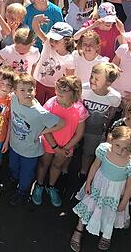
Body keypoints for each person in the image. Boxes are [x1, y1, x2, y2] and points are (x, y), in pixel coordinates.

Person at [70, 126, 131, 252]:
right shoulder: (103, 150)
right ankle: (78, 229)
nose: (120, 151)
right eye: (117, 145)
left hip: (114, 193)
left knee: (110, 212)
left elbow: (130, 185)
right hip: (98, 185)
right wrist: (88, 183)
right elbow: (95, 166)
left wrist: (124, 202)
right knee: (89, 205)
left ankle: (106, 236)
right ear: (111, 140)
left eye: (125, 148)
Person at [6, 73, 64, 206]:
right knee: (13, 166)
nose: (27, 93)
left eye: (30, 90)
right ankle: (14, 179)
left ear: (35, 90)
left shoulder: (40, 112)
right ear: (15, 91)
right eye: (22, 90)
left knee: (26, 174)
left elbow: (61, 124)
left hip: (30, 152)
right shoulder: (14, 98)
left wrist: (42, 131)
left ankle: (23, 192)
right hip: (14, 145)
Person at [32, 76, 87, 207]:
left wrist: (65, 148)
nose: (59, 92)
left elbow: (79, 134)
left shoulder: (80, 109)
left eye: (65, 90)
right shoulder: (51, 104)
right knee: (43, 164)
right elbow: (45, 128)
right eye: (58, 89)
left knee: (57, 166)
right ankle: (39, 185)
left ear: (75, 92)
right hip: (49, 143)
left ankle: (51, 186)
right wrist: (56, 147)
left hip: (66, 147)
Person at [79, 63, 122, 180]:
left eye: (97, 79)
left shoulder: (114, 97)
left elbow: (111, 114)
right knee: (73, 149)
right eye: (91, 76)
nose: (92, 80)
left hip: (96, 130)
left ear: (108, 82)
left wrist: (105, 130)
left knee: (88, 152)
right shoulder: (83, 88)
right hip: (79, 127)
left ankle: (84, 172)